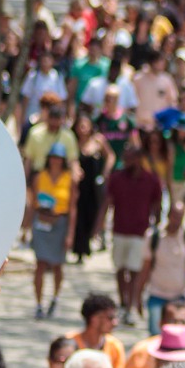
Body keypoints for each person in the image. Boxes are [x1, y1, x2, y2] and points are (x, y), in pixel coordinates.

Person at [108, 136, 166, 326]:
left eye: (130, 158)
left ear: (139, 159)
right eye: (125, 158)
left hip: (140, 232)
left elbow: (157, 204)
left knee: (134, 270)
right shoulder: (116, 178)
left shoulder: (151, 180)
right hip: (119, 230)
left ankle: (131, 306)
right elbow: (107, 202)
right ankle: (123, 302)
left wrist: (157, 227)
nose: (126, 162)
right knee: (120, 268)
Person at [138, 203, 185, 337]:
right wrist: (138, 294)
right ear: (168, 216)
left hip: (181, 296)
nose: (177, 221)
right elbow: (145, 268)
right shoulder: (154, 236)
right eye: (174, 216)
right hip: (157, 294)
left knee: (179, 335)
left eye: (180, 217)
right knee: (156, 335)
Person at [31, 142, 77, 319]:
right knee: (40, 264)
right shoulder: (40, 177)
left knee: (58, 265)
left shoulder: (69, 179)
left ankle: (55, 299)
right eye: (53, 157)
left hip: (60, 223)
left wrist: (70, 234)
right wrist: (26, 227)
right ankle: (38, 304)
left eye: (59, 158)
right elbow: (33, 203)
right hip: (41, 223)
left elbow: (72, 208)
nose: (55, 161)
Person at [72, 113, 112, 263]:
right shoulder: (73, 142)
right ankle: (79, 250)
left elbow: (110, 156)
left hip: (94, 185)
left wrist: (105, 174)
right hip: (79, 186)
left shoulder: (98, 140)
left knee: (93, 214)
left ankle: (91, 241)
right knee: (79, 216)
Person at [69, 292, 126, 368]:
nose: (115, 323)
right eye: (110, 318)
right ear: (95, 319)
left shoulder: (115, 346)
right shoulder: (69, 343)